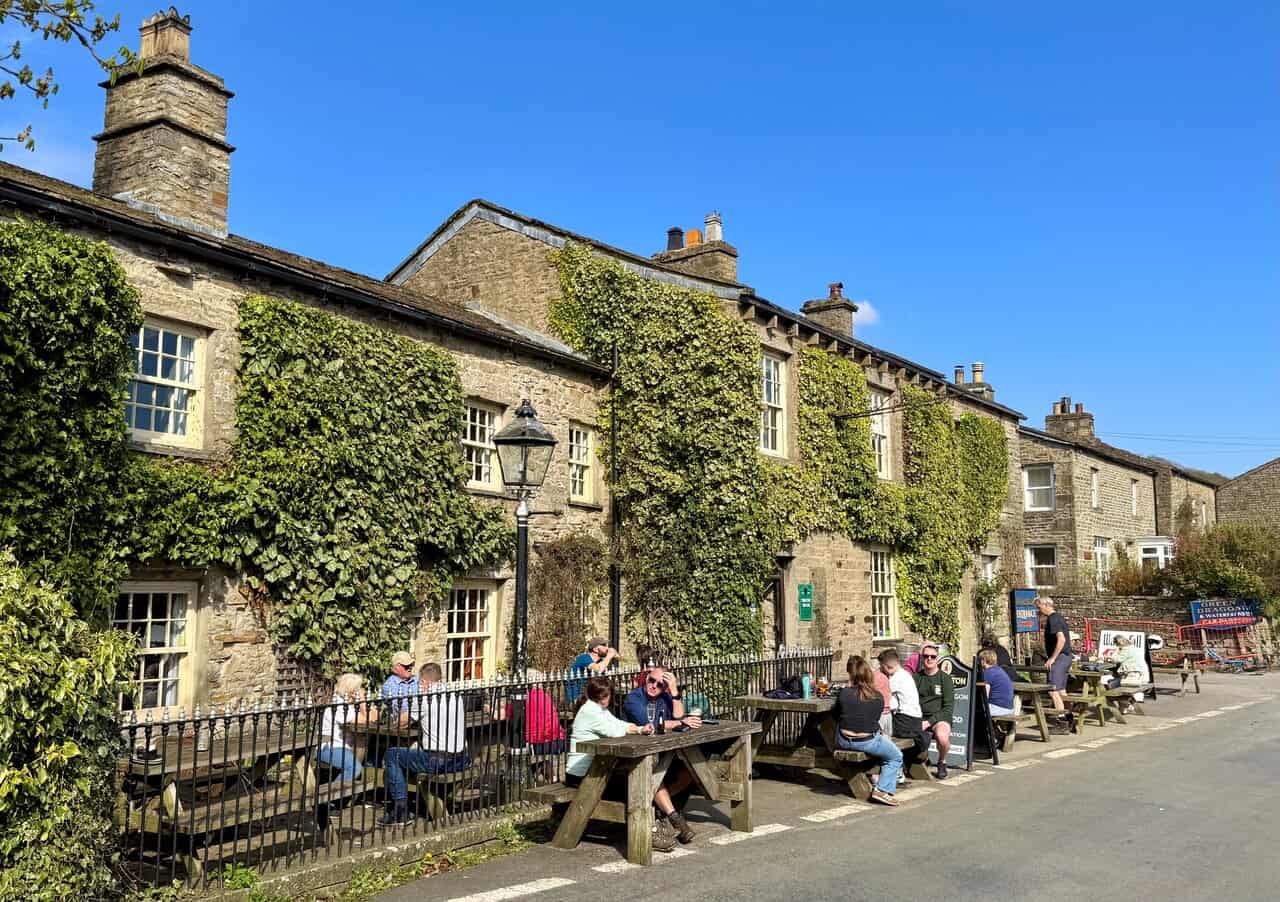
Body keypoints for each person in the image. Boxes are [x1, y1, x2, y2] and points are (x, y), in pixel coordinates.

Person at [568, 677, 686, 851]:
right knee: (636, 785)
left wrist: (639, 728)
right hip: (582, 775)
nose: (607, 698)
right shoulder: (590, 711)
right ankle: (650, 832)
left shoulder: (599, 709)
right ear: (602, 695)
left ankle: (662, 823)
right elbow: (614, 732)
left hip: (596, 770)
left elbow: (618, 723)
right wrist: (635, 728)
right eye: (606, 694)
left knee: (644, 778)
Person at [381, 662, 470, 826]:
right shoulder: (456, 695)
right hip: (461, 758)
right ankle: (416, 802)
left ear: (425, 682)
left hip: (438, 760)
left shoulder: (424, 700)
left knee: (392, 755)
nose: (419, 687)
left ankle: (400, 812)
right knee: (412, 754)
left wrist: (388, 718)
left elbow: (402, 722)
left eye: (420, 683)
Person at [621, 665, 702, 843]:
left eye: (660, 684)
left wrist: (674, 691)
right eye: (651, 680)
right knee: (655, 775)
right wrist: (679, 722)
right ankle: (675, 818)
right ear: (646, 678)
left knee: (692, 770)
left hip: (660, 751)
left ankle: (659, 808)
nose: (654, 686)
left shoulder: (665, 696)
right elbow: (648, 723)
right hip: (633, 758)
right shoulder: (634, 698)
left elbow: (679, 715)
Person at [832, 656, 904, 807]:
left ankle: (877, 781)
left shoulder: (844, 693)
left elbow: (837, 714)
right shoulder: (877, 697)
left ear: (851, 675)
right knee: (896, 756)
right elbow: (874, 720)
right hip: (867, 742)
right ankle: (882, 789)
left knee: (839, 723)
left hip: (843, 741)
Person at [878, 648, 929, 779]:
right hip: (915, 720)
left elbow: (879, 693)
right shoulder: (905, 675)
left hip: (906, 721)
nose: (880, 669)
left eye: (881, 666)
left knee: (880, 733)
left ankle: (895, 769)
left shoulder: (897, 678)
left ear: (886, 666)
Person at [316, 672, 376, 780]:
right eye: (359, 688)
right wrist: (362, 699)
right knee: (354, 768)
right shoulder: (339, 706)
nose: (362, 690)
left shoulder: (349, 705)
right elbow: (366, 719)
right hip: (330, 747)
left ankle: (347, 792)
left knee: (363, 753)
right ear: (351, 691)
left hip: (346, 747)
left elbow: (374, 717)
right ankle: (335, 794)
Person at [914, 643, 955, 779]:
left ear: (937, 658)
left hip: (940, 717)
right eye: (926, 656)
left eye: (933, 656)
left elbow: (948, 708)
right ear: (922, 658)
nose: (929, 659)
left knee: (942, 737)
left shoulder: (945, 678)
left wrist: (929, 722)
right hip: (919, 717)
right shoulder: (916, 678)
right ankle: (915, 762)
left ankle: (942, 761)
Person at [1038, 596, 1074, 717]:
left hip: (1060, 659)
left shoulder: (1053, 619)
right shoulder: (1058, 617)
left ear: (1046, 605)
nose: (1039, 610)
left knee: (1053, 691)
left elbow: (1061, 639)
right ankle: (1069, 717)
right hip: (1066, 657)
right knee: (1061, 690)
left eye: (1039, 607)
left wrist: (1052, 658)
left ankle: (1061, 720)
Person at [567, 637, 619, 703]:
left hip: (591, 697)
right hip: (577, 699)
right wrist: (609, 656)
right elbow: (598, 669)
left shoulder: (600, 662)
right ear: (595, 649)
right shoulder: (584, 658)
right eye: (604, 645)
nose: (607, 648)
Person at [1108, 635, 1149, 712]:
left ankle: (1125, 706)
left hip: (1133, 674)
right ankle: (1125, 706)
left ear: (1119, 643)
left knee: (1114, 686)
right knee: (1115, 684)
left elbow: (1117, 659)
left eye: (1116, 644)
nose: (1115, 645)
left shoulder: (1126, 649)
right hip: (1138, 674)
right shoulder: (1131, 647)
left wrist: (1114, 652)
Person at [979, 649, 1016, 717]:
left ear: (984, 660)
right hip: (1009, 708)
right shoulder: (999, 669)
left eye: (980, 660)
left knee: (975, 709)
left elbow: (985, 694)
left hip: (998, 708)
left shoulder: (988, 672)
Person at [872, 656, 893, 736]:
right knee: (887, 739)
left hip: (880, 714)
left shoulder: (873, 678)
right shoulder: (884, 677)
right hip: (888, 713)